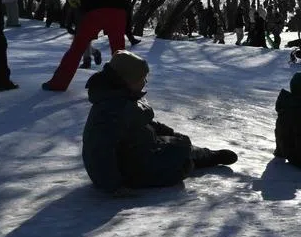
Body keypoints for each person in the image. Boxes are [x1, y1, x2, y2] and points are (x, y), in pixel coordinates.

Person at [81, 51, 237, 193]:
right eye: (141, 79)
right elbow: (97, 151)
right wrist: (114, 186)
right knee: (182, 161)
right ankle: (194, 161)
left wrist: (167, 132)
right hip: (129, 170)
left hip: (139, 149)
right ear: (127, 80)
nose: (145, 82)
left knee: (180, 143)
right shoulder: (111, 110)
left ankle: (206, 155)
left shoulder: (121, 98)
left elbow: (140, 121)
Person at [37, 0, 131, 91]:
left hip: (95, 12)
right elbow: (125, 0)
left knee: (77, 48)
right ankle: (124, 85)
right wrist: (128, 24)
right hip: (118, 12)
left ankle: (59, 83)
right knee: (119, 52)